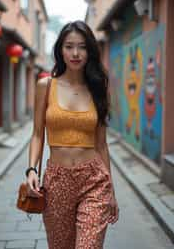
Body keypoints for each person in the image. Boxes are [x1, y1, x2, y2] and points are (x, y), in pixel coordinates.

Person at [26, 20, 119, 249]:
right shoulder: (45, 86)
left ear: (90, 51)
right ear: (60, 50)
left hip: (94, 181)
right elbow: (37, 134)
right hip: (57, 181)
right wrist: (30, 169)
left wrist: (112, 193)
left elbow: (102, 145)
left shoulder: (98, 88)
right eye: (69, 46)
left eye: (82, 46)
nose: (76, 53)